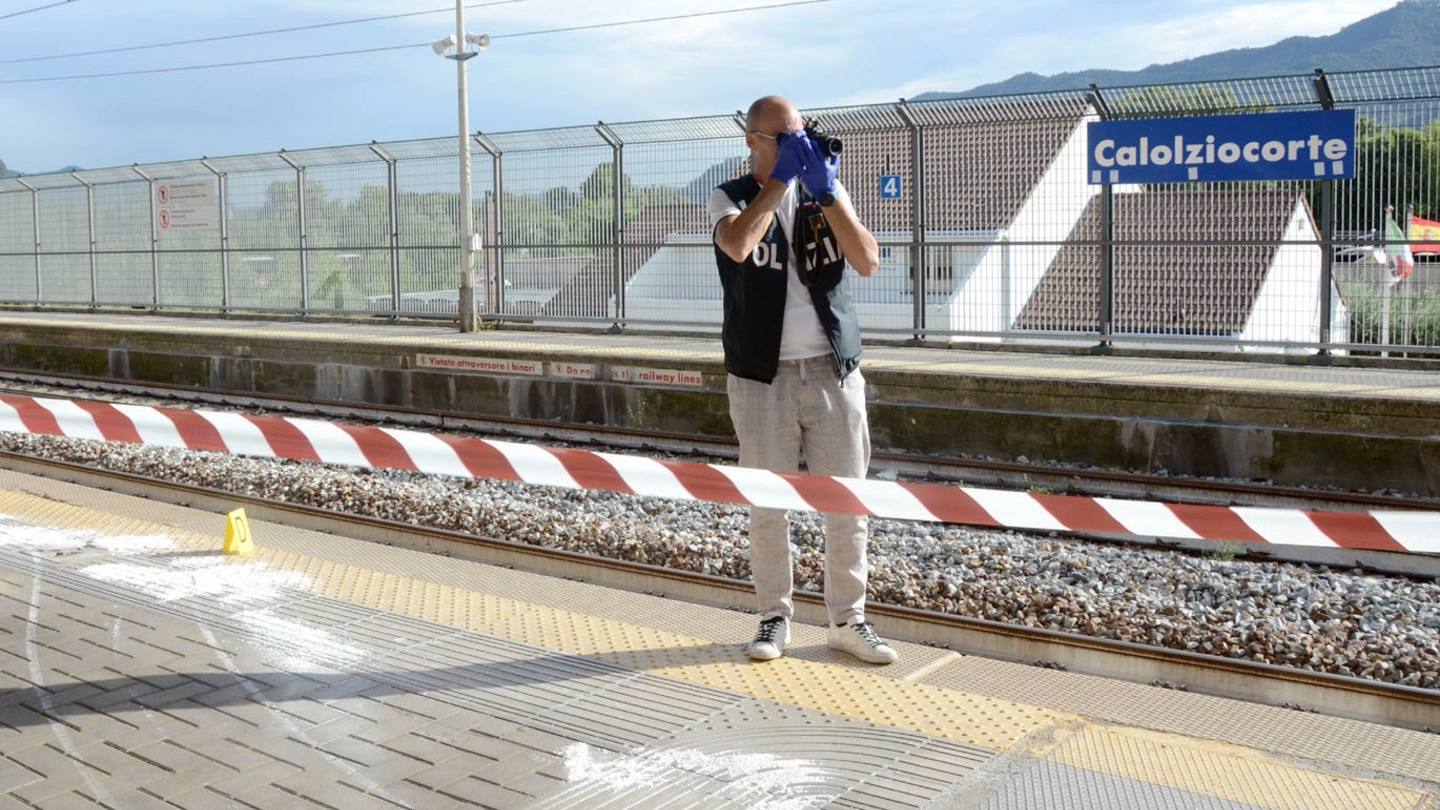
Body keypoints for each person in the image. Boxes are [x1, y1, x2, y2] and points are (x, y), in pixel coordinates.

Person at [707, 95, 896, 665]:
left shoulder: (825, 190)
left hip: (832, 370)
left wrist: (828, 190)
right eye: (781, 137)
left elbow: (867, 260)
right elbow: (739, 244)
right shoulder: (730, 195)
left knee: (848, 501)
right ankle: (773, 617)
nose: (794, 143)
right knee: (768, 504)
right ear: (752, 140)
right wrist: (779, 183)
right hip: (761, 375)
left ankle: (849, 619)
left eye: (800, 133)